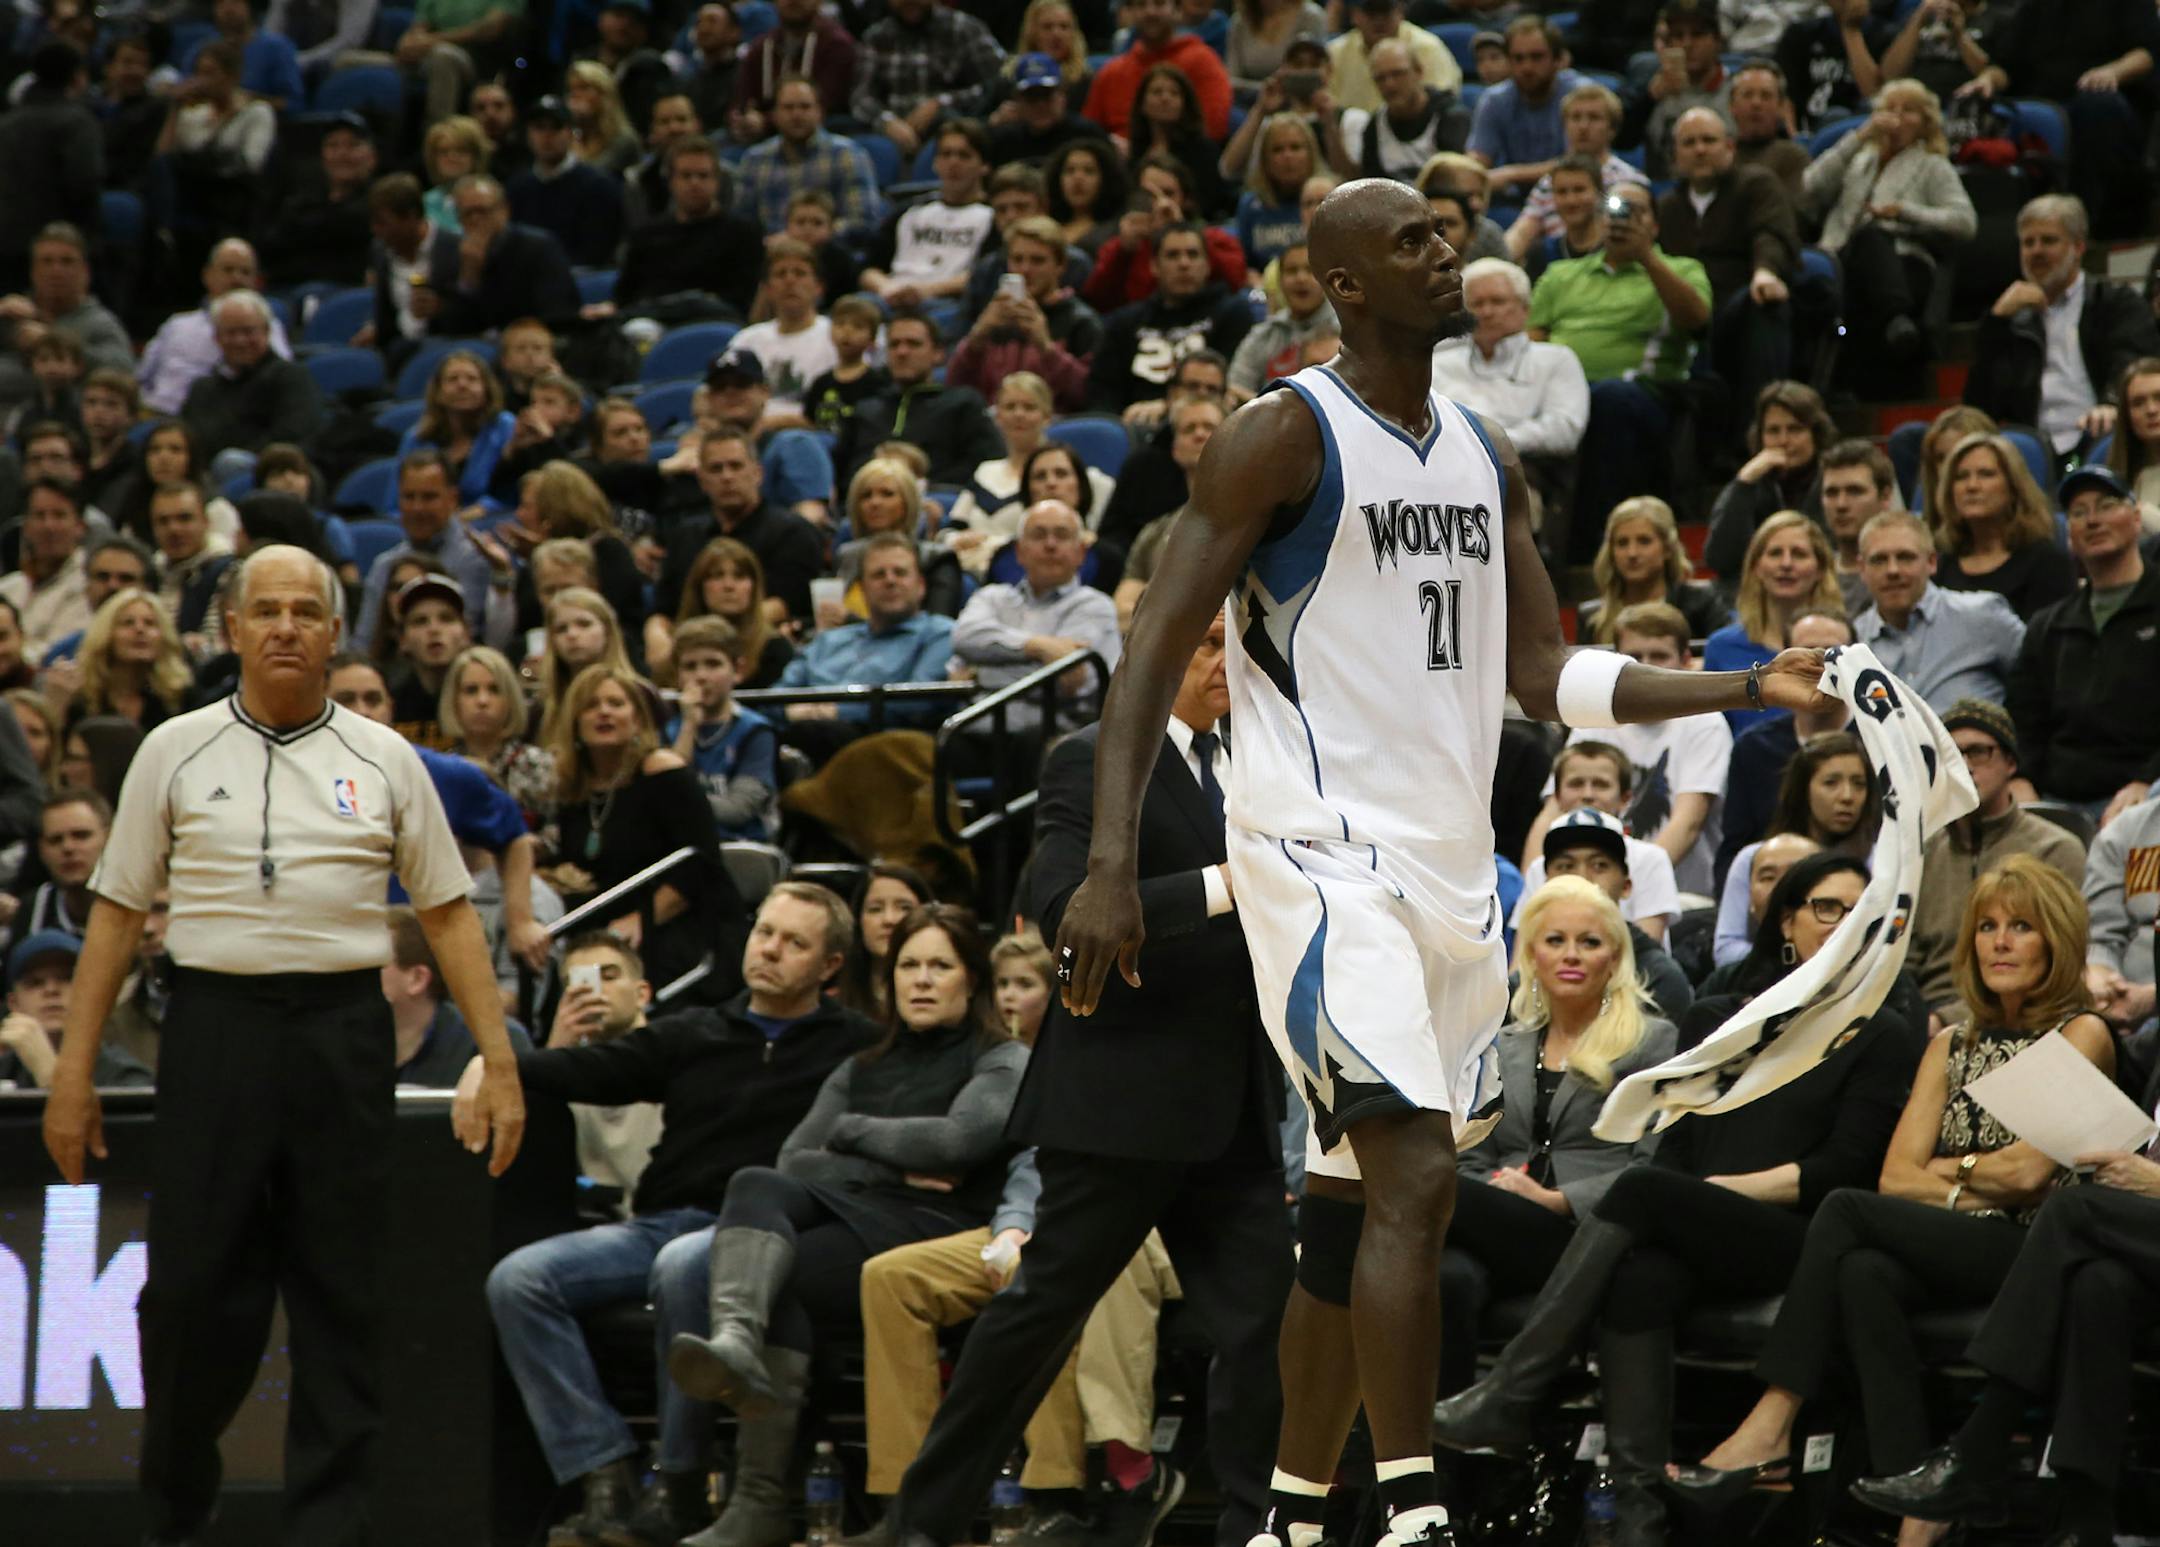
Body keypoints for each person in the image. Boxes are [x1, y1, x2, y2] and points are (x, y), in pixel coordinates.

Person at [1052, 174, 1832, 1547]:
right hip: (1314, 856)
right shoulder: (1279, 435)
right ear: (1342, 283)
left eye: (1442, 230)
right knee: (1415, 1166)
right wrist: (1110, 860)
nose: (1444, 252)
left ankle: (1291, 1513)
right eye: (1407, 240)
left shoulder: (1484, 454)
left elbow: (1547, 668)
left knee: (1353, 1216)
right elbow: (1155, 647)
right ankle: (1415, 1511)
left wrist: (1747, 684)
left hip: (1455, 873)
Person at [39, 543, 524, 1546]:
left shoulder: (386, 758)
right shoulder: (172, 748)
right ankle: (175, 1506)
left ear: (335, 629)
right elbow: (117, 918)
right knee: (183, 1300)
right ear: (231, 628)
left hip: (346, 1032)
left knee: (343, 1298)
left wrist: (500, 1055)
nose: (289, 627)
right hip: (215, 1030)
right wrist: (72, 1073)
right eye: (268, 609)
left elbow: (449, 914)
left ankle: (327, 1531)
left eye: (309, 609)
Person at [858, 613, 1296, 1547]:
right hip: (1122, 1103)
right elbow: (1068, 911)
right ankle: (921, 1523)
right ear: (1159, 659)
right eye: (1211, 644)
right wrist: (1232, 883)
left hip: (1235, 1106)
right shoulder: (1092, 758)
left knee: (1265, 1328)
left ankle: (1261, 1531)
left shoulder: (1268, 757)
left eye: (1239, 644)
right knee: (1033, 1323)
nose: (1232, 663)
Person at [1675, 858, 2113, 1547]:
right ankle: (1918, 1498)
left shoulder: (2082, 1033)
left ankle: (1772, 1417)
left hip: (2038, 1252)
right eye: (1988, 926)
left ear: (2055, 940)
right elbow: (1896, 1178)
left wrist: (1947, 1174)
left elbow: (2030, 1177)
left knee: (1844, 1212)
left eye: (2021, 927)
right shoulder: (1950, 1041)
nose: (1999, 941)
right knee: (1862, 1271)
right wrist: (1974, 1179)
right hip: (1956, 1241)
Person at [474, 884, 871, 1547]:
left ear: (829, 966)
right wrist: (493, 1067)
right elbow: (588, 1068)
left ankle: (680, 1482)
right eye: (764, 931)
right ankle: (603, 1472)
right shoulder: (697, 1030)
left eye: (793, 941)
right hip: (660, 1220)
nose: (769, 949)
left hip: (761, 1236)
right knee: (518, 1279)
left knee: (681, 1264)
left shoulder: (856, 1048)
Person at [660, 899, 1027, 1456]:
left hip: (942, 1229)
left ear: (971, 980)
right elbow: (795, 1163)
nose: (922, 981)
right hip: (865, 1215)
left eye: (940, 967)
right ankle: (735, 1343)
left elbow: (955, 1143)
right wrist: (893, 1165)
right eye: (908, 965)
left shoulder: (1002, 1057)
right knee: (756, 1183)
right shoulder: (863, 1064)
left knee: (779, 1274)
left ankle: (764, 1494)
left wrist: (852, 1130)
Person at [1439, 875, 1675, 1392]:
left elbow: (1652, 1166)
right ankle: (1450, 1459)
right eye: (1555, 941)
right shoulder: (1502, 1045)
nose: (1572, 955)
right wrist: (1495, 1189)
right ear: (1531, 956)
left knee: (1427, 1189)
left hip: (1588, 1236)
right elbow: (1473, 1153)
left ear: (1614, 959)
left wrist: (1555, 1200)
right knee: (1448, 1279)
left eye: (1589, 943)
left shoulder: (1653, 1044)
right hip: (1497, 1231)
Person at [1532, 183, 1713, 560]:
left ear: (1655, 225)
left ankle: (1595, 545)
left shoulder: (1682, 269)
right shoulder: (1560, 275)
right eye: (1614, 211)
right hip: (1564, 396)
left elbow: (1696, 319)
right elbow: (1531, 345)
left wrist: (1646, 256)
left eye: (1637, 212)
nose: (1623, 220)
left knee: (1609, 398)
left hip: (1646, 396)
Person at [1910, 700, 2084, 1024]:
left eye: (1978, 752)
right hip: (1924, 1019)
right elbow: (1903, 964)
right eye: (1950, 754)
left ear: (2010, 763)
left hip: (2022, 1013)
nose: (1963, 765)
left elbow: (2063, 966)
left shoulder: (2055, 849)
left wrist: (1945, 1020)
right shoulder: (1922, 853)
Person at [2008, 465, 2160, 818]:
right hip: (2059, 799)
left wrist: (2147, 782)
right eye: (2079, 512)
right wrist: (2021, 779)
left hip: (2146, 795)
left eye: (2107, 505)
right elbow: (2024, 720)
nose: (2093, 520)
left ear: (2136, 518)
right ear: (2069, 536)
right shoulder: (2048, 625)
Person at [1964, 195, 2160, 457]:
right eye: (2028, 243)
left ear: (2078, 247)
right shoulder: (2011, 320)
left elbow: (2130, 363)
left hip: (2099, 435)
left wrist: (2111, 404)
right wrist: (1997, 321)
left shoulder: (2115, 302)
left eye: (2049, 240)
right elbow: (1980, 405)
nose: (2036, 251)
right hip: (2034, 449)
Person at [1803, 78, 1976, 374]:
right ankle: (1889, 327)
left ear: (1925, 122)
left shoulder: (1933, 165)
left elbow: (1965, 222)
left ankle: (1897, 320)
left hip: (1903, 263)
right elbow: (1808, 189)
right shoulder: (1857, 158)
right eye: (1889, 108)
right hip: (1842, 261)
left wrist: (1905, 212)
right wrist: (1858, 137)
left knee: (1871, 236)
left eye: (1908, 110)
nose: (1896, 117)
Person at [1428, 258, 1586, 537]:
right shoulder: (1439, 363)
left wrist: (1494, 441)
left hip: (1521, 474)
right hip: (1442, 471)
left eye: (1498, 301)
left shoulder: (1555, 360)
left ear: (1525, 309)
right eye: (1476, 304)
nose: (1487, 312)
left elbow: (1564, 429)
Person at [1658, 108, 1801, 409]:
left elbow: (1771, 233)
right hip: (1684, 312)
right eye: (1689, 143)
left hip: (1740, 303)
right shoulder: (1666, 207)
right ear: (1676, 155)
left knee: (1765, 305)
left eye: (1708, 140)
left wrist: (1765, 272)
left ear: (1730, 147)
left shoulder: (1755, 184)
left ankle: (1760, 423)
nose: (1699, 150)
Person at [951, 500, 1122, 731]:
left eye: (1061, 535)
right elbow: (963, 637)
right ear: (1019, 552)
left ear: (1081, 552)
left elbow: (1070, 684)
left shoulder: (1095, 606)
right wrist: (1038, 647)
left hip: (1050, 739)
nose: (1050, 544)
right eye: (1039, 535)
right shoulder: (991, 597)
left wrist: (979, 674)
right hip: (973, 736)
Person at [1713, 728, 1877, 965]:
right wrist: (1790, 962)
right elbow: (1726, 950)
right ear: (1803, 789)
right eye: (1831, 783)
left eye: (1859, 784)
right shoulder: (1755, 858)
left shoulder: (1880, 860)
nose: (1847, 796)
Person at [1715, 612, 1856, 879]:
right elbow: (1734, 850)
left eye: (1831, 653)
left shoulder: (1877, 741)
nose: (1820, 665)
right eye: (1806, 653)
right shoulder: (1754, 747)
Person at [1529, 808, 1693, 1023]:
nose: (1582, 878)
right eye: (1566, 866)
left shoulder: (1659, 980)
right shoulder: (1521, 979)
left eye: (1599, 865)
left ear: (1626, 886)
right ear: (1545, 883)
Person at [1852, 509, 2024, 712]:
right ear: (1861, 568)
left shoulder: (1983, 617)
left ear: (1932, 562)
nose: (1893, 570)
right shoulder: (1852, 641)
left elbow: (2041, 680)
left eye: (1905, 557)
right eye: (1879, 560)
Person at [1088, 224, 1259, 416]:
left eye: (1193, 255)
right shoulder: (1124, 323)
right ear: (1154, 266)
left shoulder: (1233, 314)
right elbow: (1102, 395)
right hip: (1136, 428)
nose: (1184, 264)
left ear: (1207, 265)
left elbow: (1230, 387)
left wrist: (1168, 407)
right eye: (1172, 255)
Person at [1703, 510, 1842, 734]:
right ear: (1756, 567)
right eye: (1775, 553)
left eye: (1799, 554)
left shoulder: (1841, 642)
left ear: (1820, 568)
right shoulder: (1721, 647)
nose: (1786, 564)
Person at [834, 312, 1005, 490]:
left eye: (913, 344)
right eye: (894, 344)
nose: (902, 352)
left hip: (940, 503)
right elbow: (840, 474)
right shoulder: (865, 410)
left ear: (938, 354)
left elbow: (988, 467)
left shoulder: (963, 403)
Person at [950, 217, 1104, 414]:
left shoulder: (1082, 322)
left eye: (1037, 260)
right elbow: (955, 388)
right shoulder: (993, 318)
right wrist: (977, 337)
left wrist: (1046, 348)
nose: (1025, 270)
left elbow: (1089, 394)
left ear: (1060, 266)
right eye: (1017, 259)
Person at [356, 451, 495, 653]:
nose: (417, 508)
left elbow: (472, 639)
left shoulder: (476, 559)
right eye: (409, 497)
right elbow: (363, 644)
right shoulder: (384, 565)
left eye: (429, 497)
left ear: (452, 498)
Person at [137, 237, 294, 416]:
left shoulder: (266, 329)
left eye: (245, 272)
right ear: (207, 275)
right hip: (159, 417)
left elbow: (279, 382)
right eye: (228, 270)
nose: (237, 279)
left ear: (256, 282)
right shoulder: (177, 325)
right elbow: (142, 378)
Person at [1930, 431, 2077, 621]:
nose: (1972, 486)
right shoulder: (1940, 566)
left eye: (1986, 474)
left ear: (2014, 487)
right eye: (1961, 477)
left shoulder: (2049, 564)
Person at [613, 138, 762, 317]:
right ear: (670, 181)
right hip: (652, 324)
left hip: (715, 324)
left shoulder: (743, 234)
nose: (695, 183)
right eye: (686, 176)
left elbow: (743, 299)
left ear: (717, 181)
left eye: (703, 175)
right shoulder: (647, 235)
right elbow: (625, 297)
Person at [860, 119, 997, 314]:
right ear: (935, 163)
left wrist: (925, 291)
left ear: (984, 166)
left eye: (964, 155)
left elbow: (984, 275)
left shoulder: (993, 216)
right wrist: (887, 288)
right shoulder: (908, 212)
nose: (953, 162)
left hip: (945, 302)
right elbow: (869, 269)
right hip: (890, 296)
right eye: (946, 154)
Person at [1703, 381, 1832, 587]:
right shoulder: (1749, 484)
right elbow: (1720, 559)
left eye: (1795, 430)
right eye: (1773, 431)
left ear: (1815, 434)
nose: (1783, 440)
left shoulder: (1834, 481)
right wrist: (1744, 483)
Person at [733, 76, 885, 245]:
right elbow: (742, 225)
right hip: (770, 257)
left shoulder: (847, 155)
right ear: (774, 114)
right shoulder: (754, 160)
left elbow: (864, 221)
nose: (797, 114)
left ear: (820, 112)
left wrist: (807, 236)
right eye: (788, 107)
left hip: (830, 254)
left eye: (805, 107)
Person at [665, 616, 778, 842]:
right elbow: (665, 793)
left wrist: (675, 803)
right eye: (690, 666)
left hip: (740, 846)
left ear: (737, 670)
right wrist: (689, 725)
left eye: (713, 664)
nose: (701, 676)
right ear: (678, 675)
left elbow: (737, 811)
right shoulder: (668, 730)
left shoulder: (756, 731)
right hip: (679, 846)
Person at [178, 290, 325, 463]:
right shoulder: (201, 389)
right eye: (231, 333)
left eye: (248, 332)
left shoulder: (290, 376)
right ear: (217, 338)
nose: (240, 341)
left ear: (267, 331)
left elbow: (295, 435)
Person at [427, 174, 581, 338]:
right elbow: (450, 328)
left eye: (482, 211)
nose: (476, 219)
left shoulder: (539, 247)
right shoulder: (452, 254)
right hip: (473, 348)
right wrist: (469, 279)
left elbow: (560, 311)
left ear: (504, 211)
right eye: (468, 213)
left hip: (529, 341)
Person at [0, 929, 154, 1091]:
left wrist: (49, 1074)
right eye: (35, 983)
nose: (51, 990)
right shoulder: (4, 1069)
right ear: (14, 1004)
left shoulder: (127, 1077)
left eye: (67, 978)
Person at [1504, 84, 1645, 261]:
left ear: (1612, 129)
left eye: (1594, 118)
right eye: (1576, 118)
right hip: (1557, 264)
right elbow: (1522, 233)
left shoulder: (1631, 181)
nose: (1583, 126)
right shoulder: (1549, 182)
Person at [849, 0, 1008, 153]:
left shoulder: (964, 28)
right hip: (894, 134)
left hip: (954, 129)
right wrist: (886, 121)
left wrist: (941, 102)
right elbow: (861, 96)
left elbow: (998, 82)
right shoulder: (876, 37)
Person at [1576, 496, 1729, 644]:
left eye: (1644, 541)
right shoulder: (1592, 618)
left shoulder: (1701, 604)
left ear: (1668, 548)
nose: (1632, 553)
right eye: (1622, 543)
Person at [1466, 15, 1588, 197]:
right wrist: (1472, 170)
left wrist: (1512, 174)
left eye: (1536, 57)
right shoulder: (1494, 99)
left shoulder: (1580, 95)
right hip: (1517, 200)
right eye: (1518, 58)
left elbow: (1579, 162)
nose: (1527, 67)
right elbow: (1477, 161)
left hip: (1571, 194)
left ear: (1557, 60)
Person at [833, 460, 965, 620]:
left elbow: (938, 627)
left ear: (907, 502)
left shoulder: (937, 559)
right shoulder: (846, 556)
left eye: (887, 494)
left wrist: (847, 621)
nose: (874, 502)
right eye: (865, 495)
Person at [1084, 0, 1232, 141]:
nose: (1150, 12)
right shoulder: (1111, 73)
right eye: (1141, 4)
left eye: (1159, 3)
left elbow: (1214, 129)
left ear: (1177, 9)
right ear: (1130, 12)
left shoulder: (1202, 61)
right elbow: (1088, 134)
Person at [441, 643, 555, 821]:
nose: (483, 701)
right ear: (454, 700)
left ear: (510, 699)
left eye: (494, 690)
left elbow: (556, 829)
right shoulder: (441, 770)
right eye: (471, 690)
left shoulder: (539, 765)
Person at [70, 587, 193, 732]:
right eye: (128, 623)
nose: (140, 629)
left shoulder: (181, 697)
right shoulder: (82, 699)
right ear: (105, 635)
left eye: (150, 623)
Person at [0, 478, 91, 661]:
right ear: (25, 528)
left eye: (59, 515)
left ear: (80, 527)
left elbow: (58, 655)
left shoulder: (89, 585)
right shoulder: (9, 587)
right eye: (39, 516)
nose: (48, 526)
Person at [731, 0, 856, 130]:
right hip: (761, 135)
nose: (793, 1)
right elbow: (742, 100)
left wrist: (766, 122)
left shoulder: (837, 46)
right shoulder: (760, 48)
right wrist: (744, 118)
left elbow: (827, 104)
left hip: (822, 130)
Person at [1327, 0, 1462, 119]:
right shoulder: (1335, 53)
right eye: (1371, 13)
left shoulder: (1427, 48)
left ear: (1400, 12)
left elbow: (1443, 103)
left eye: (1386, 12)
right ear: (1354, 15)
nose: (1379, 21)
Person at [1820, 439, 1901, 615]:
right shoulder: (1809, 575)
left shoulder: (1903, 573)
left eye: (1855, 491)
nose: (1841, 504)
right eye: (1831, 493)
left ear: (1885, 496)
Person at [2104, 356, 2160, 528]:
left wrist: (2143, 514)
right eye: (2138, 403)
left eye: (2159, 398)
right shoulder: (2116, 477)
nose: (2151, 410)